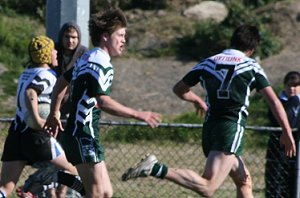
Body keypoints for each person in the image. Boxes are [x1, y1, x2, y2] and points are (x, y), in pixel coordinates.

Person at [121, 24, 296, 197]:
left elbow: (179, 89)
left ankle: (156, 168)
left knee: (244, 180)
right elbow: (274, 101)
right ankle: (156, 168)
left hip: (211, 127)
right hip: (230, 128)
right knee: (208, 186)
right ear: (252, 48)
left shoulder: (208, 62)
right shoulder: (250, 66)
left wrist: (196, 99)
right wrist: (286, 132)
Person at [44, 9, 161, 198]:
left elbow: (61, 82)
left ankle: (56, 177)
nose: (124, 40)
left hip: (84, 133)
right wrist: (138, 114)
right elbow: (103, 101)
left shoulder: (87, 56)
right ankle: (52, 177)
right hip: (82, 133)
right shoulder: (99, 61)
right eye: (121, 35)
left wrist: (54, 112)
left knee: (105, 192)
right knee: (97, 193)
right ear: (105, 36)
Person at [0, 35, 84, 198]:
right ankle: (35, 183)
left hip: (16, 133)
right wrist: (38, 119)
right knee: (73, 170)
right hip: (36, 135)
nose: (56, 53)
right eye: (52, 50)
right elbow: (31, 92)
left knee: (4, 188)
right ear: (45, 54)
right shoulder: (47, 75)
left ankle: (34, 186)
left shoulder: (26, 73)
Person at [19, 22, 89, 198]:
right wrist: (40, 116)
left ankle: (58, 191)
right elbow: (32, 91)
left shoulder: (83, 54)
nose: (70, 40)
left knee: (68, 160)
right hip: (49, 115)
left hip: (72, 114)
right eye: (67, 36)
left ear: (79, 39)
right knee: (56, 162)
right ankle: (42, 190)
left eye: (74, 37)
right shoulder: (50, 64)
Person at [265, 71, 300, 198]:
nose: (292, 89)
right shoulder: (278, 103)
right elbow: (285, 120)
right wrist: (294, 101)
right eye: (289, 85)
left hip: (297, 152)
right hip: (278, 151)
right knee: (275, 184)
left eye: (296, 86)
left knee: (294, 184)